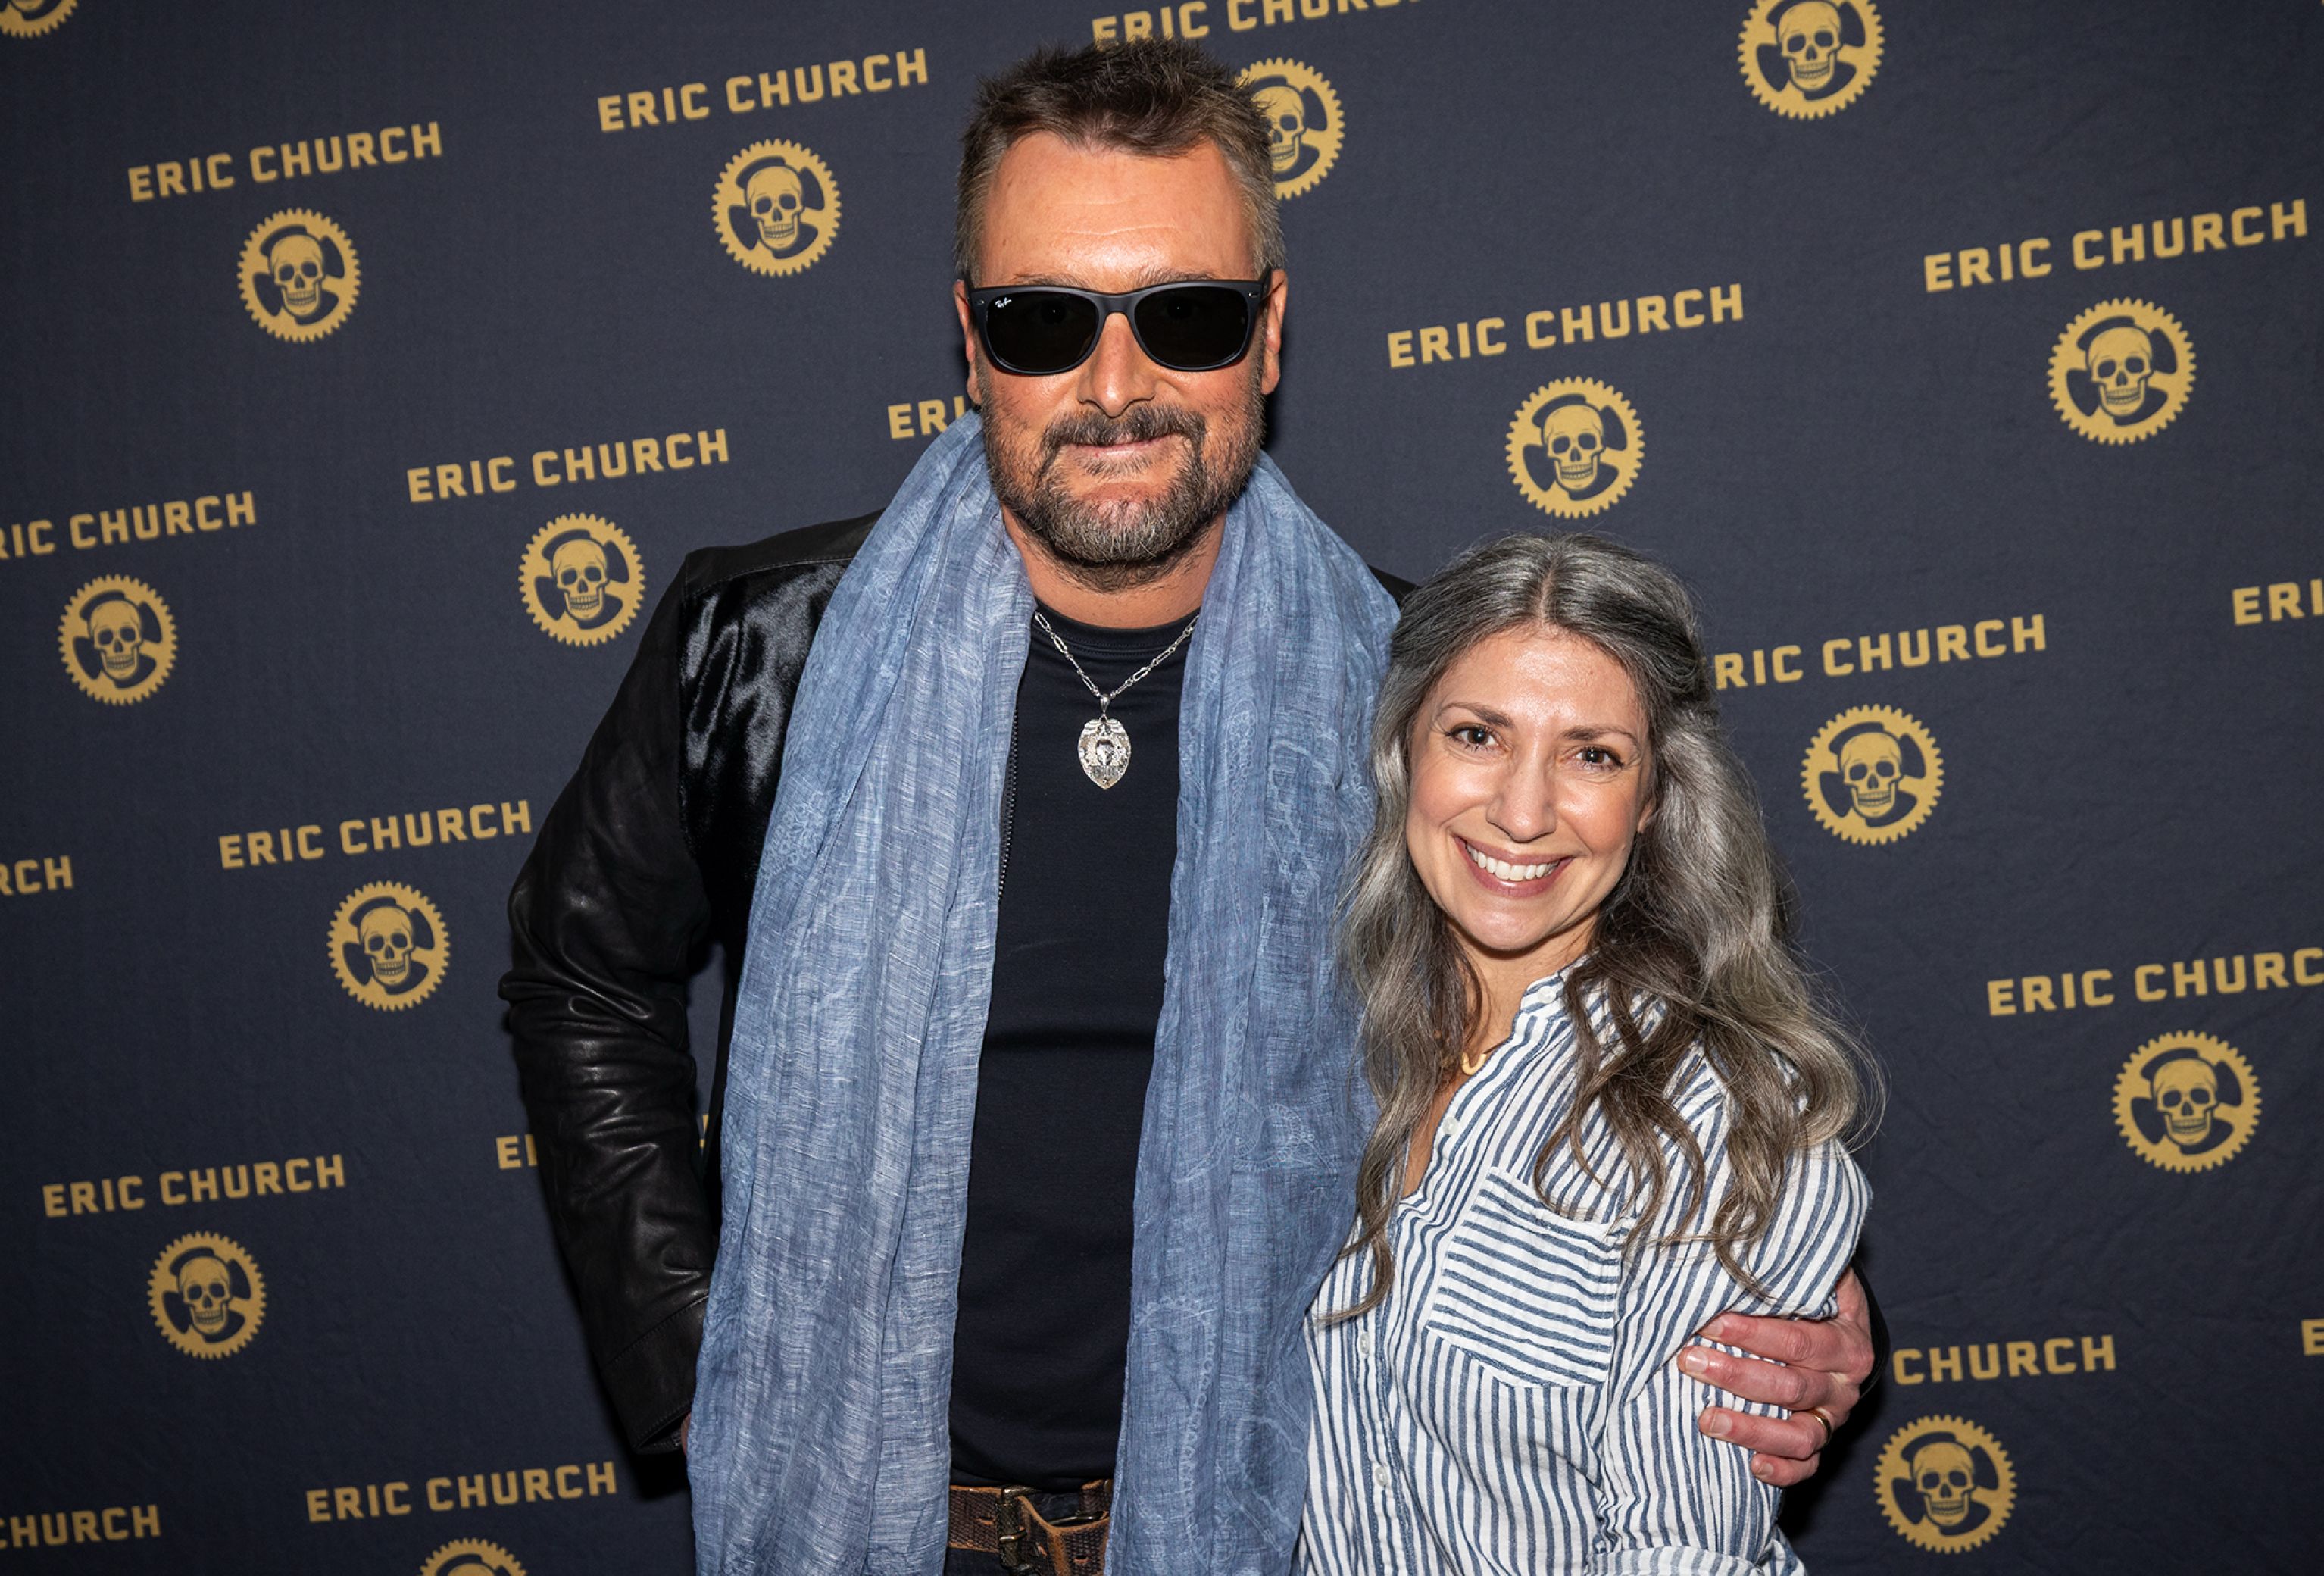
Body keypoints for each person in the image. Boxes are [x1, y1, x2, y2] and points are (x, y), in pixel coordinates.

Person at [499, 41, 1876, 1576]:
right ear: (971, 342)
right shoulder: (759, 644)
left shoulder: (1410, 688)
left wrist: (1769, 1266)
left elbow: (1610, 1008)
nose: (1115, 386)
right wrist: (694, 1358)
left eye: (1186, 316)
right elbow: (580, 970)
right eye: (1044, 321)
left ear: (1267, 336)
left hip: (1278, 1513)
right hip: (858, 1512)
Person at [1302, 533, 1873, 1574]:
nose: (1523, 812)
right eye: (1477, 735)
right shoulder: (1309, 1053)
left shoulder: (1716, 1123)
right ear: (1402, 750)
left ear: (1652, 799)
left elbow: (1681, 1552)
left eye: (1592, 755)